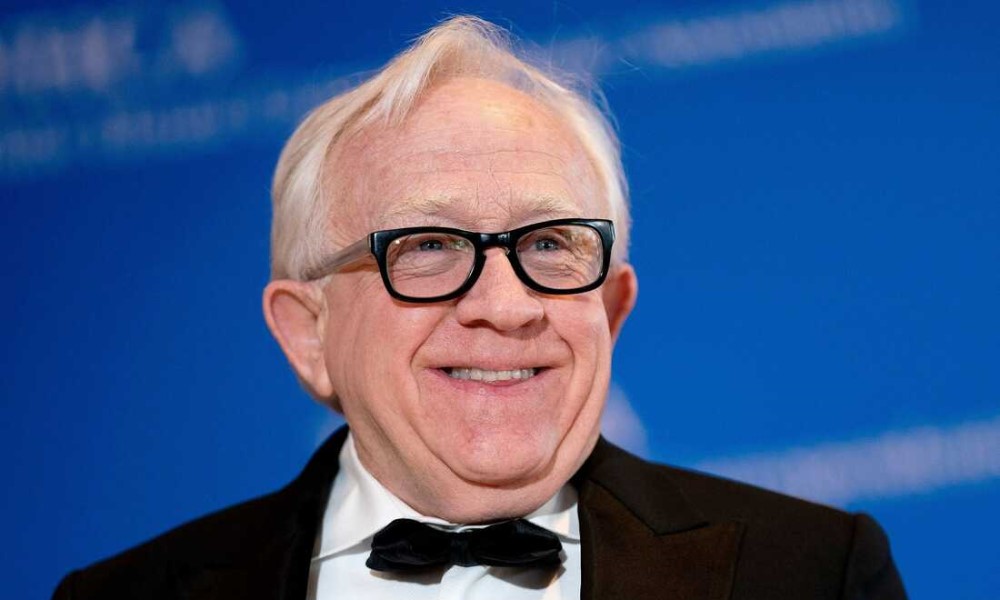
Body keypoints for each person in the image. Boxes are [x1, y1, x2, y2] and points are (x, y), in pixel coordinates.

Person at [53, 15, 906, 600]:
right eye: (428, 246)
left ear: (610, 310)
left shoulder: (809, 575)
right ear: (308, 332)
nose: (506, 305)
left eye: (550, 244)